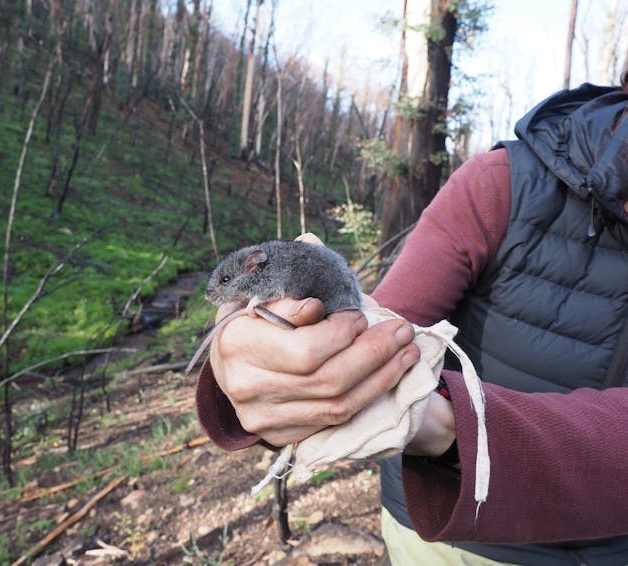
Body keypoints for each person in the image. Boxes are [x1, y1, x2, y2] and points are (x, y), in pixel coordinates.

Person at [195, 76, 628, 566]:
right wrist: (273, 375)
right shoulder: (502, 185)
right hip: (452, 537)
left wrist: (452, 425)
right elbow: (380, 325)